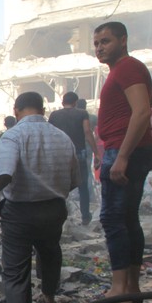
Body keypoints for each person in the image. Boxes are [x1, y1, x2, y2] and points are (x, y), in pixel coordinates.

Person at [0, 92, 78, 303]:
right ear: (43, 108)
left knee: (15, 271)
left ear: (16, 110)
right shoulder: (63, 137)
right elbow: (74, 180)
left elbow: (4, 173)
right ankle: (48, 296)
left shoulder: (13, 136)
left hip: (20, 213)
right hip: (54, 209)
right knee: (50, 252)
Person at [93, 22, 152, 303]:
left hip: (125, 149)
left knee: (113, 218)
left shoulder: (128, 67)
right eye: (96, 43)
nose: (100, 47)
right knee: (128, 218)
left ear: (123, 39)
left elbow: (142, 111)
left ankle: (119, 290)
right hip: (126, 149)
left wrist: (121, 157)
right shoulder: (120, 70)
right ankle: (132, 287)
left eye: (105, 41)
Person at [48, 91, 99, 225]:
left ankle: (60, 216)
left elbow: (50, 134)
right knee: (83, 186)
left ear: (63, 102)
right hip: (79, 153)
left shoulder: (54, 115)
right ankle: (85, 216)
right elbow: (87, 132)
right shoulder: (82, 113)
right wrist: (96, 152)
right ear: (76, 102)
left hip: (59, 154)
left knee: (59, 187)